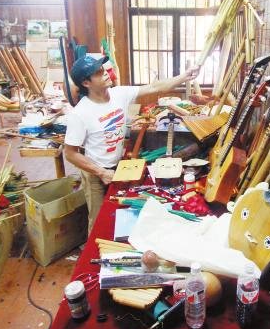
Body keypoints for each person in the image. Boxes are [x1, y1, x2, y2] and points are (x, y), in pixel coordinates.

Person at [64, 55, 199, 232]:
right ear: (86, 83)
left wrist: (184, 76)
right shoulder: (80, 113)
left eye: (103, 69)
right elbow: (70, 153)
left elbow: (154, 87)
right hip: (94, 173)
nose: (105, 73)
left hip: (118, 166)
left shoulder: (119, 94)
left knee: (120, 211)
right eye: (98, 72)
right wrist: (101, 172)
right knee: (98, 222)